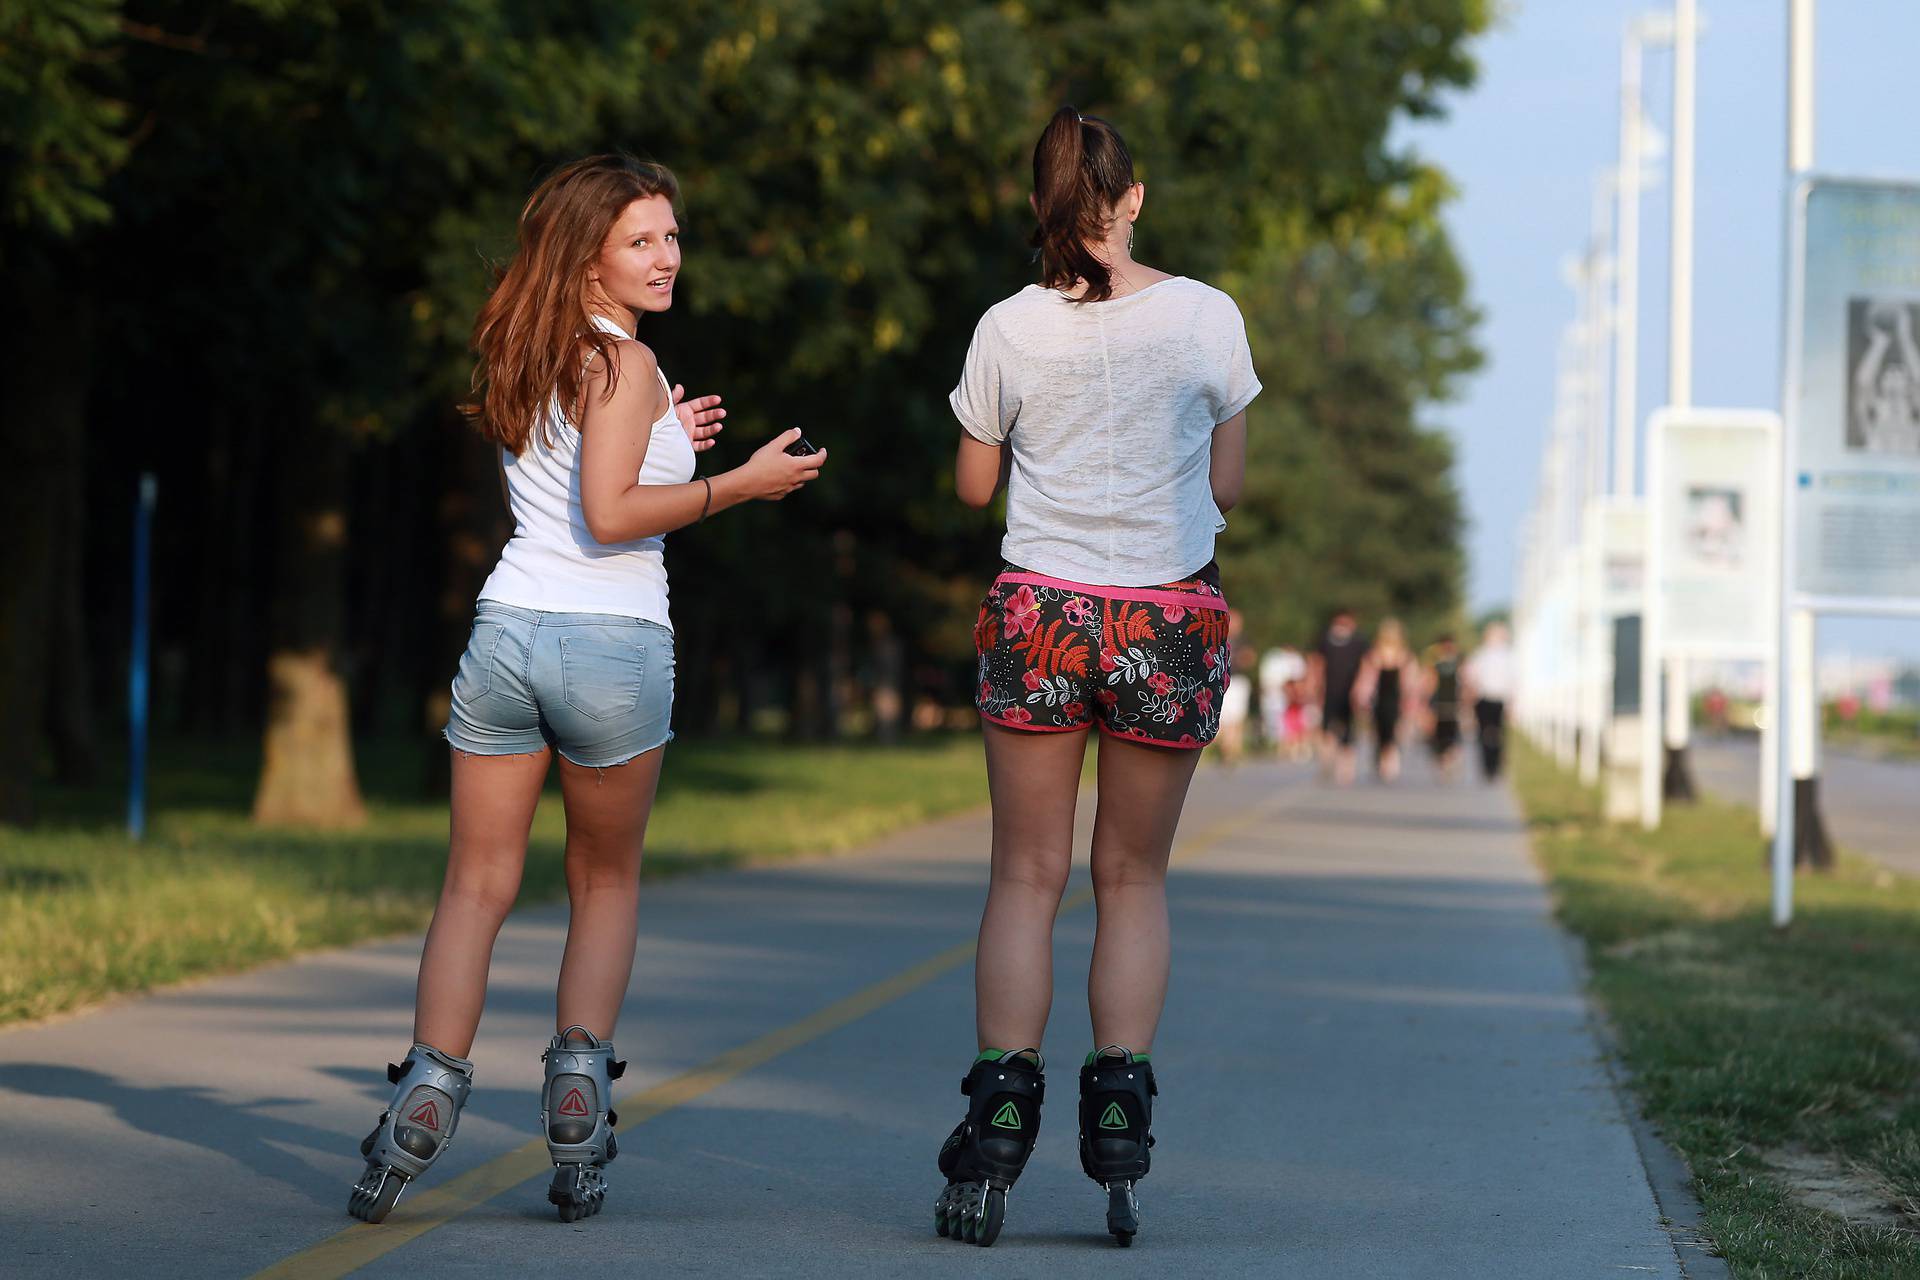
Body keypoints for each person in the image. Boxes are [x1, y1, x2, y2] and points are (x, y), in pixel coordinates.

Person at [346, 155, 826, 1227]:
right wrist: (734, 482)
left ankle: (424, 1098)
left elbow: (575, 476)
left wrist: (668, 435)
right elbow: (609, 515)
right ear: (590, 256)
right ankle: (575, 1109)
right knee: (603, 881)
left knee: (475, 881)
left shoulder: (529, 346)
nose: (668, 257)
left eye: (671, 235)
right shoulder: (630, 361)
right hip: (611, 641)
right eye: (642, 240)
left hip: (509, 634)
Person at [939, 105, 1259, 1249]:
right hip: (1167, 615)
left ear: (1040, 206)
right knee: (1131, 878)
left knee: (1028, 874)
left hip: (1041, 609)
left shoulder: (1007, 327)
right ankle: (1118, 1111)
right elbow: (1225, 488)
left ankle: (1001, 1113)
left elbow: (977, 488)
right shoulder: (1208, 319)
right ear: (1133, 197)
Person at [1311, 608, 1368, 786]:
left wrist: (1361, 687)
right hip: (1329, 691)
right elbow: (1317, 663)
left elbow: (1367, 665)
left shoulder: (1359, 641)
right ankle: (1327, 761)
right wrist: (1314, 685)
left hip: (1350, 694)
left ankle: (1346, 769)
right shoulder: (1326, 640)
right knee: (1326, 728)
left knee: (1348, 733)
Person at [1361, 618, 1418, 783]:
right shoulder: (1374, 655)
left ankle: (1390, 762)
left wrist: (1412, 702)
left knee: (1393, 732)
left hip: (1396, 701)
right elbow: (1366, 679)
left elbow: (1411, 682)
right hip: (1378, 700)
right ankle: (1382, 760)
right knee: (1380, 732)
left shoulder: (1405, 656)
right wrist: (1363, 698)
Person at [1466, 620, 1515, 782]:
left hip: (1500, 699)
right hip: (1483, 698)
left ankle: (1494, 765)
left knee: (1497, 734)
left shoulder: (1508, 656)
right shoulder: (1481, 655)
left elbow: (1513, 681)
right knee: (1485, 733)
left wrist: (1511, 703)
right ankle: (1487, 765)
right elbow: (1471, 676)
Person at [1425, 633, 1465, 780]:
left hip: (1453, 704)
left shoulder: (1459, 663)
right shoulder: (1434, 664)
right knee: (1438, 737)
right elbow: (1429, 684)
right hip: (1438, 704)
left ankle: (1449, 760)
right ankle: (1442, 763)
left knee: (1452, 735)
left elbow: (1465, 684)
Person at [1258, 644, 1307, 756]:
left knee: (1291, 721)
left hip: (1287, 695)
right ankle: (1283, 746)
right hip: (1278, 695)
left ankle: (1292, 745)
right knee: (1279, 721)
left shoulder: (1291, 660)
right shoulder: (1276, 660)